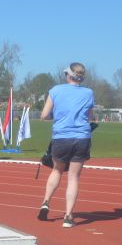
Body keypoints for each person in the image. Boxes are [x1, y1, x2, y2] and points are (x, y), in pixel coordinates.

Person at [37, 62, 94, 228]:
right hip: (82, 138)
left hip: (61, 137)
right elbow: (90, 118)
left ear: (68, 75)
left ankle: (46, 202)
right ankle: (68, 217)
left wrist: (58, 115)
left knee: (57, 170)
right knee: (74, 177)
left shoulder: (55, 90)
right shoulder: (89, 93)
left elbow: (44, 115)